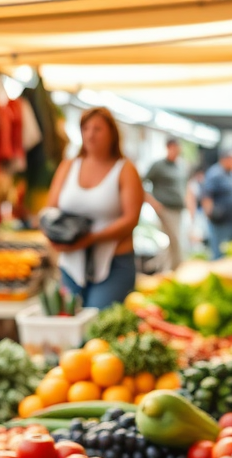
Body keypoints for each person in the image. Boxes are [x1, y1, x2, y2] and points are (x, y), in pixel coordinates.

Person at [46, 107, 143, 309]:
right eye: (86, 128)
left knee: (97, 329)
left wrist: (92, 238)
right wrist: (55, 235)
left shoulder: (125, 170)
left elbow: (131, 219)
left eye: (97, 129)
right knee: (71, 329)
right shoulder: (68, 166)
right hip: (71, 264)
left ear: (112, 134)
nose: (90, 134)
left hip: (113, 262)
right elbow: (50, 209)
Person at [144, 137, 186, 271]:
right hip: (165, 208)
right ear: (169, 147)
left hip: (178, 209)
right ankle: (178, 269)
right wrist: (153, 203)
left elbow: (186, 187)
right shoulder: (158, 166)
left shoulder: (180, 166)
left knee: (172, 243)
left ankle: (159, 268)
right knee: (176, 241)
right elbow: (140, 183)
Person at [201, 149, 232, 259]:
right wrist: (211, 214)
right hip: (221, 222)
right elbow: (206, 196)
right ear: (226, 159)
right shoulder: (215, 174)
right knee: (219, 253)